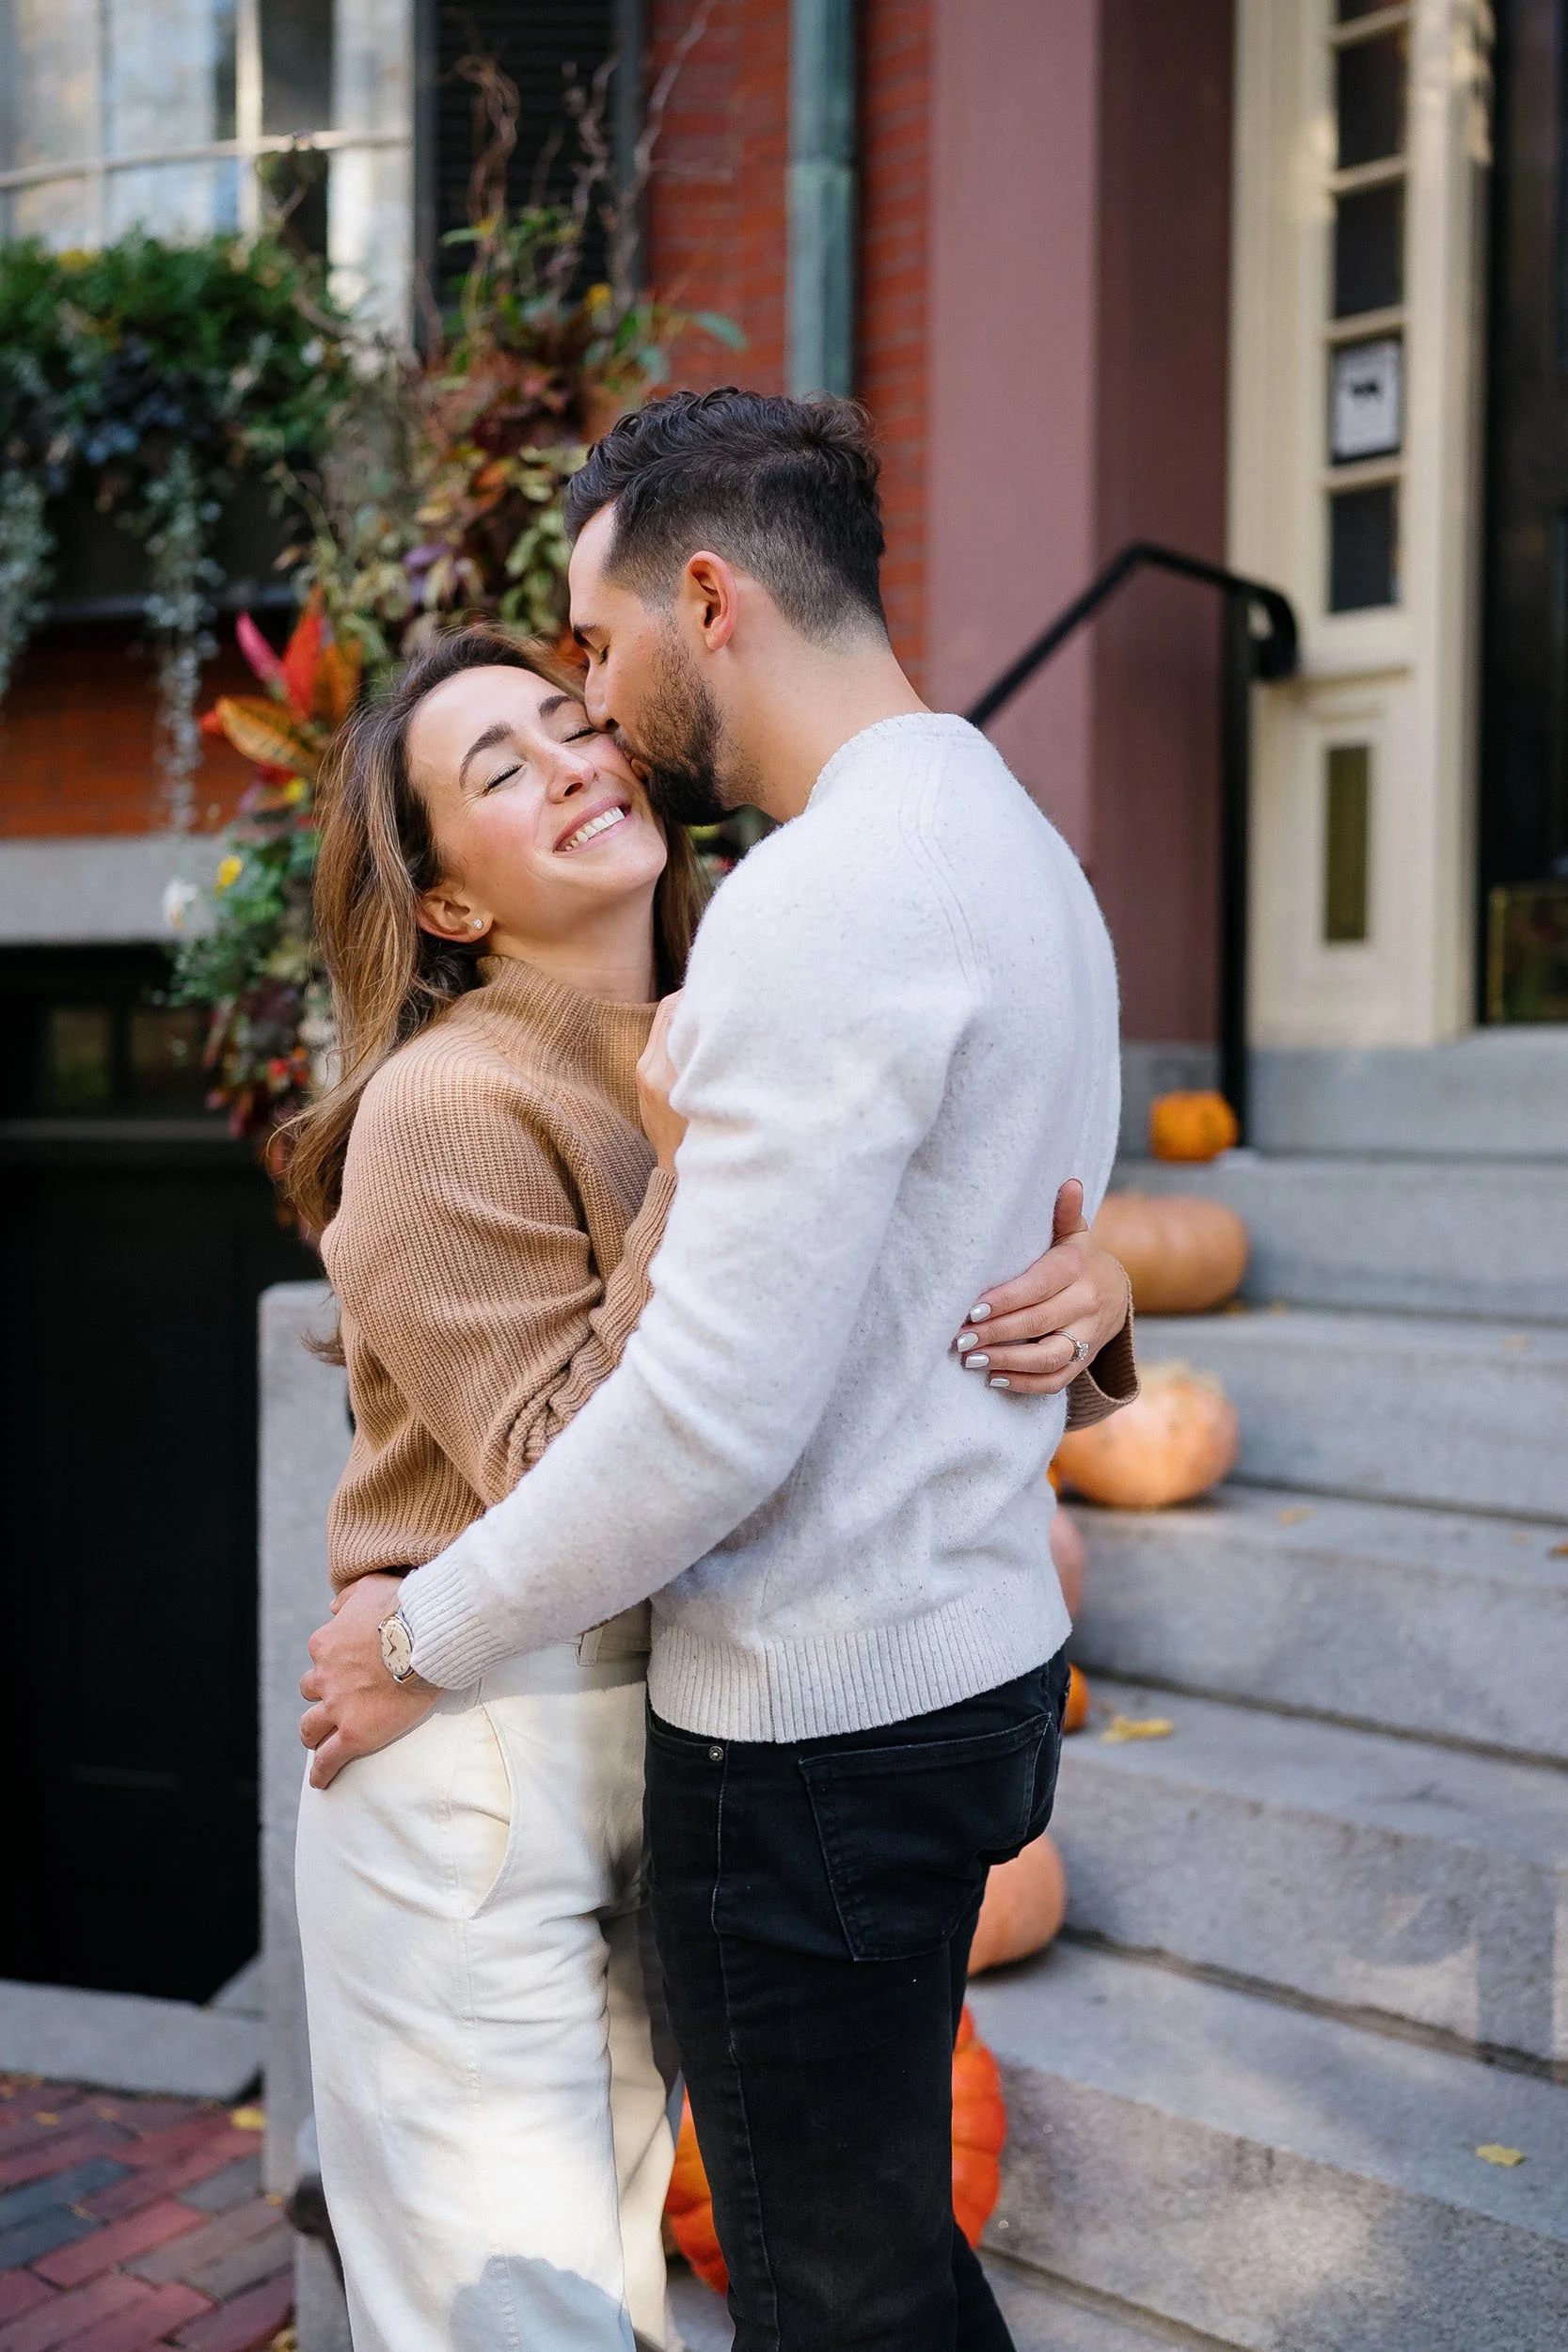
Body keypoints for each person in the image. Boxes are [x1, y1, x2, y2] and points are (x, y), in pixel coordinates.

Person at [293, 612, 1135, 2352]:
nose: (579, 762)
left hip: (698, 1720)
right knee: (522, 2323)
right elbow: (553, 1481)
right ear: (446, 903)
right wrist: (685, 1174)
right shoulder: (449, 1102)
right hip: (474, 1742)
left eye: (564, 721)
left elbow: (863, 1295)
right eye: (499, 773)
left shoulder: (755, 990)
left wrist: (1095, 1288)